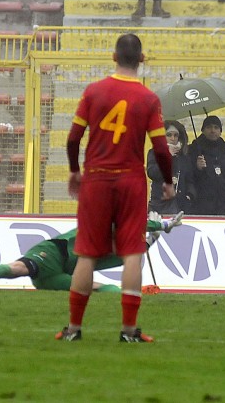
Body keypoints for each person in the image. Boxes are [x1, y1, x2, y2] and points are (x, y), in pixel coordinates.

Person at [57, 33, 175, 343]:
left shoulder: (94, 92)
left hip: (96, 179)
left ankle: (73, 329)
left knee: (87, 254)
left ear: (113, 57)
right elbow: (161, 148)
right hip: (130, 181)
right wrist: (167, 180)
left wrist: (74, 171)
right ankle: (128, 331)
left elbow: (72, 139)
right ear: (142, 59)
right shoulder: (149, 99)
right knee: (133, 252)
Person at [0, 212, 183, 292]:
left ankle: (131, 301)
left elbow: (133, 251)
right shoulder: (101, 229)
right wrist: (161, 225)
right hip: (52, 254)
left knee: (98, 288)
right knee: (18, 268)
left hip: (54, 277)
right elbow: (129, 224)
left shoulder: (112, 255)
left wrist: (152, 240)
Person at [189, 115, 225, 216]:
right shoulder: (193, 151)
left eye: (216, 127)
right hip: (201, 209)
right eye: (209, 127)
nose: (212, 130)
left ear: (220, 131)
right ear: (203, 130)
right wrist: (197, 168)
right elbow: (188, 178)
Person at [147, 120, 196, 214]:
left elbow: (190, 180)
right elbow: (152, 173)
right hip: (160, 205)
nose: (172, 138)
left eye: (176, 135)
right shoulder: (154, 153)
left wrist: (190, 195)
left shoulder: (184, 156)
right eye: (169, 135)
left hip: (181, 206)